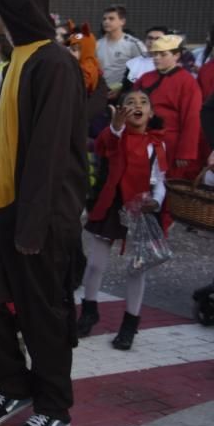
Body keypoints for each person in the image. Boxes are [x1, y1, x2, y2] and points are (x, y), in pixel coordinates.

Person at [0, 0, 87, 426]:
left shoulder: (53, 63)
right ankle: (15, 387)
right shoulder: (19, 58)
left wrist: (34, 227)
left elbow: (51, 154)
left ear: (8, 9)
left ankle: (54, 406)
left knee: (43, 314)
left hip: (38, 215)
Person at [77, 90, 168, 351]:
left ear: (151, 113)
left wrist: (157, 202)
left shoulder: (157, 144)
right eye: (130, 102)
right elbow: (106, 144)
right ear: (120, 110)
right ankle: (89, 311)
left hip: (142, 208)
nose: (137, 105)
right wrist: (116, 127)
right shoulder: (114, 136)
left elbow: (161, 181)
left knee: (137, 269)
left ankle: (130, 323)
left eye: (143, 102)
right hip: (112, 204)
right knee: (95, 264)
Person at [132, 35, 202, 180]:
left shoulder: (187, 82)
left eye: (163, 54)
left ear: (177, 55)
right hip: (140, 139)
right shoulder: (145, 77)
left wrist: (186, 152)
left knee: (164, 183)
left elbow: (192, 118)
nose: (157, 58)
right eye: (155, 54)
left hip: (170, 143)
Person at [97, 5, 146, 98]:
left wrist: (123, 88)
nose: (106, 21)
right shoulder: (97, 44)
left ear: (122, 21)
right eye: (104, 19)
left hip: (124, 94)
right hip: (101, 93)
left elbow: (142, 69)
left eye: (111, 19)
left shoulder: (133, 43)